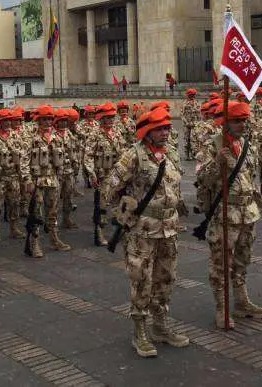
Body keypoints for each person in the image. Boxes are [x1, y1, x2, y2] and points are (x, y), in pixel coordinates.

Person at [101, 108, 188, 358]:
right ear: (147, 132)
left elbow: (173, 185)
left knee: (166, 278)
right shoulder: (134, 156)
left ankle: (160, 326)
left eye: (167, 128)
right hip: (142, 230)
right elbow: (110, 188)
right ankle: (140, 331)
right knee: (142, 280)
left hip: (169, 228)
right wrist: (124, 209)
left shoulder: (170, 153)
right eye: (160, 129)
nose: (165, 132)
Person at [197, 102, 262, 329]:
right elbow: (202, 180)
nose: (241, 125)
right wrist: (217, 162)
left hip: (248, 212)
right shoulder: (211, 146)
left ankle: (241, 301)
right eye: (236, 121)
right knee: (221, 263)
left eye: (243, 121)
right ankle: (222, 309)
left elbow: (251, 177)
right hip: (225, 214)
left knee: (242, 259)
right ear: (224, 122)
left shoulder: (248, 145)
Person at [24, 105, 71, 257]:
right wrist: (27, 180)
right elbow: (24, 160)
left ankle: (54, 237)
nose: (47, 122)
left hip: (53, 179)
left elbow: (64, 157)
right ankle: (35, 242)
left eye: (50, 119)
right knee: (36, 212)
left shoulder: (57, 137)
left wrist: (62, 175)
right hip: (37, 180)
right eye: (44, 119)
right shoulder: (31, 138)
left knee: (53, 211)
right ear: (38, 120)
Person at [84, 102, 127, 246]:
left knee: (118, 204)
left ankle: (118, 231)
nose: (110, 120)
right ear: (101, 119)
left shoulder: (117, 132)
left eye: (112, 117)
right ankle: (99, 233)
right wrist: (91, 174)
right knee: (101, 206)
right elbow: (88, 155)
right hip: (101, 175)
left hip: (116, 174)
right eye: (107, 118)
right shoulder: (94, 134)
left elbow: (123, 151)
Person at [0, 109, 29, 241]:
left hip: (13, 175)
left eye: (10, 121)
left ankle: (14, 228)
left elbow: (24, 153)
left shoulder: (16, 136)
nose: (9, 123)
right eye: (5, 121)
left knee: (14, 202)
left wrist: (23, 173)